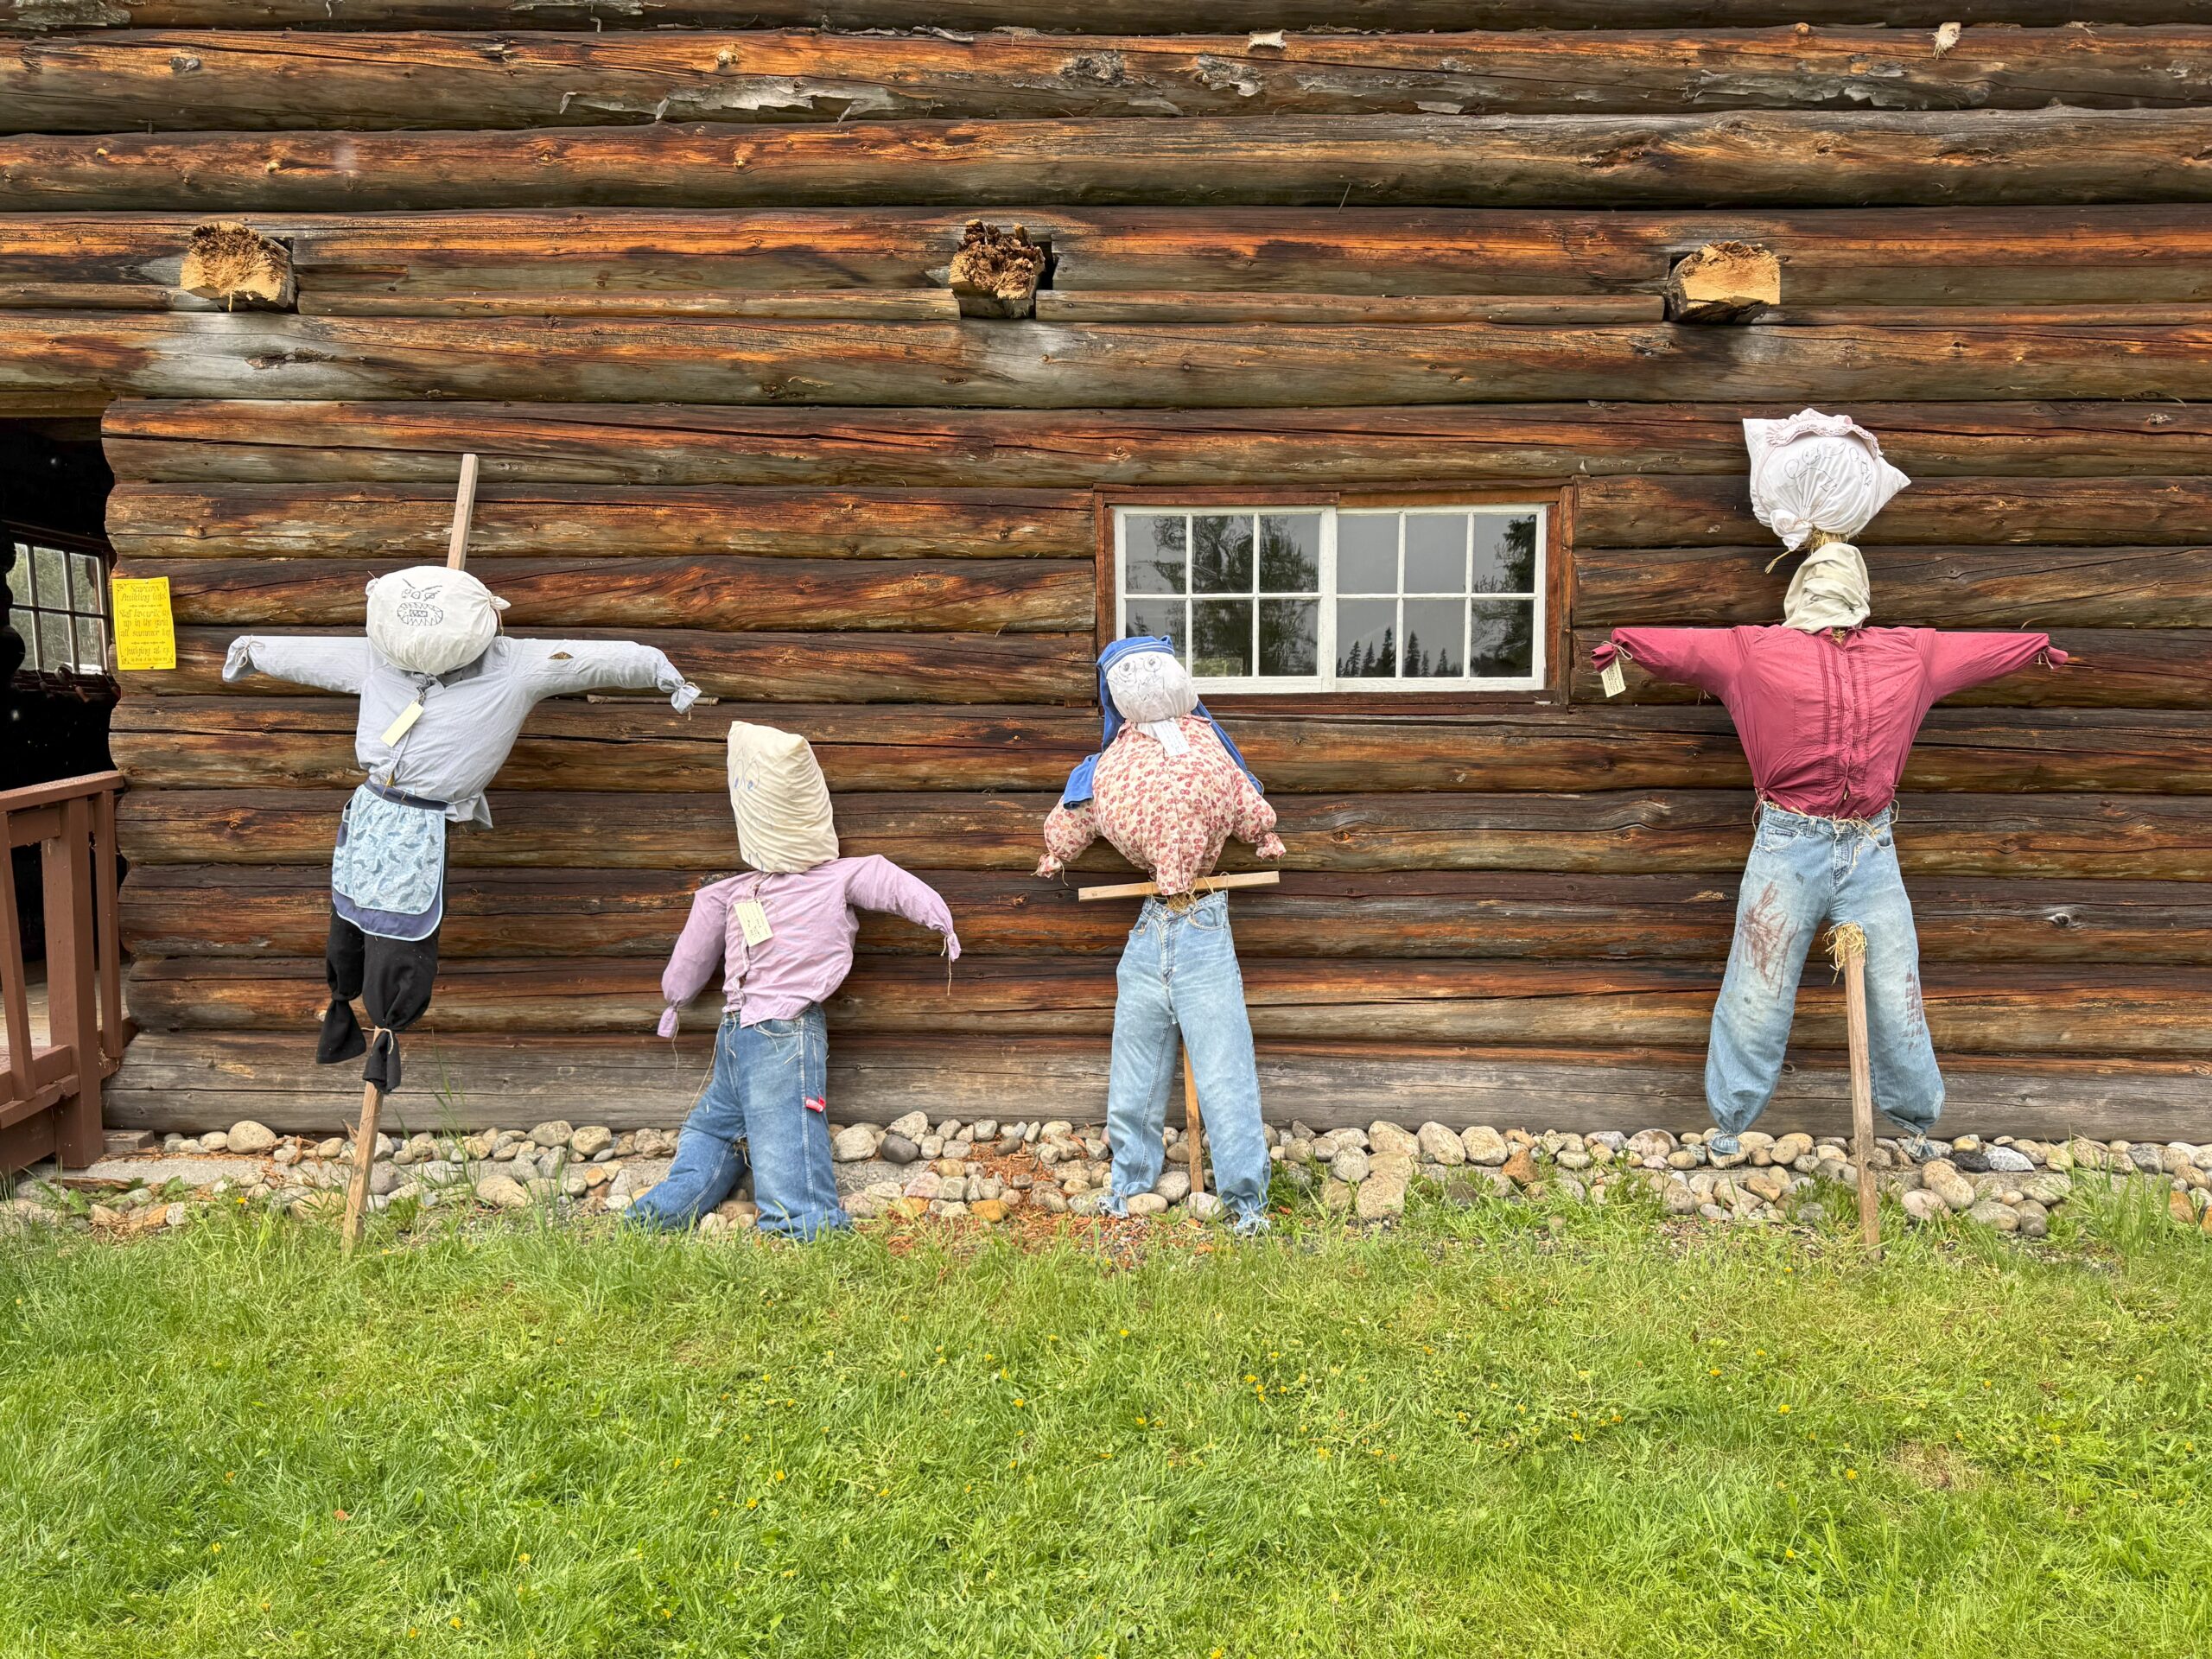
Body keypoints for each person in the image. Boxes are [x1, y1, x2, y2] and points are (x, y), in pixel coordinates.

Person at [1592, 410, 2066, 1156]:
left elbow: (1978, 652)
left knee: (1895, 988)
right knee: (1759, 986)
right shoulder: (1758, 653)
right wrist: (1628, 645)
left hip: (1871, 847)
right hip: (1789, 844)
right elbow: (1685, 647)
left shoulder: (1907, 654)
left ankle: (1912, 1121)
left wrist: (2032, 647)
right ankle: (1731, 1122)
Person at [224, 564, 698, 1092]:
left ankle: (383, 1027)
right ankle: (350, 1012)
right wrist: (255, 648)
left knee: (394, 929)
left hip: (419, 820)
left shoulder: (515, 665)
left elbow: (593, 659)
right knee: (355, 917)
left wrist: (660, 671)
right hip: (373, 810)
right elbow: (309, 657)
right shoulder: (380, 659)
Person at [631, 721, 960, 1239]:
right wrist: (674, 998)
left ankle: (702, 1219)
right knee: (749, 1129)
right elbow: (886, 878)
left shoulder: (771, 885)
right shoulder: (775, 885)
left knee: (746, 1131)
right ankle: (759, 1221)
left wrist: (676, 999)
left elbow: (884, 880)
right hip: (762, 1031)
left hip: (758, 1029)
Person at [1037, 636, 1284, 1233]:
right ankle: (1130, 1182)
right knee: (1136, 1062)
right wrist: (1056, 845)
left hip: (1202, 919)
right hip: (1151, 926)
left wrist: (1262, 832)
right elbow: (1077, 816)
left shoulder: (1204, 745)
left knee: (1223, 1068)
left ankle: (1244, 1200)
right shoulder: (1112, 764)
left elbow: (1246, 802)